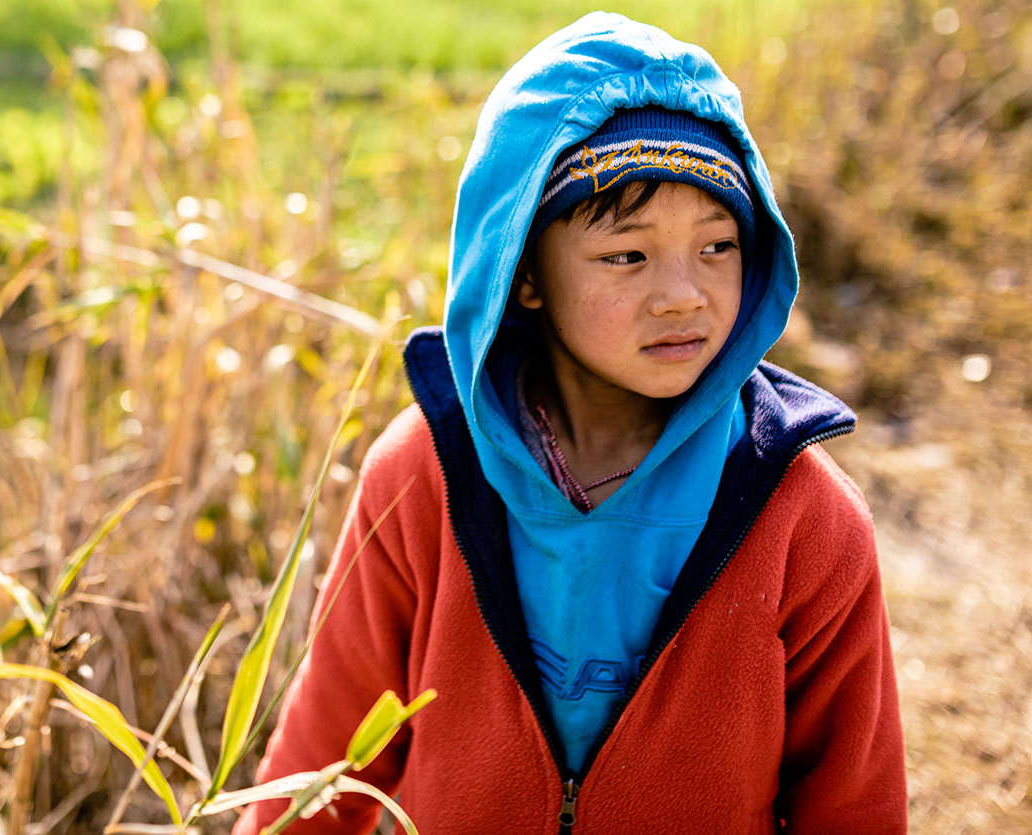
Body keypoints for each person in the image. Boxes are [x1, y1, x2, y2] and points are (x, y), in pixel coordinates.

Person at [234, 12, 907, 834]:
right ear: (523, 276)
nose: (683, 294)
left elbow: (854, 802)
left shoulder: (805, 517)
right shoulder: (424, 476)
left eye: (718, 245)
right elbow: (323, 762)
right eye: (627, 255)